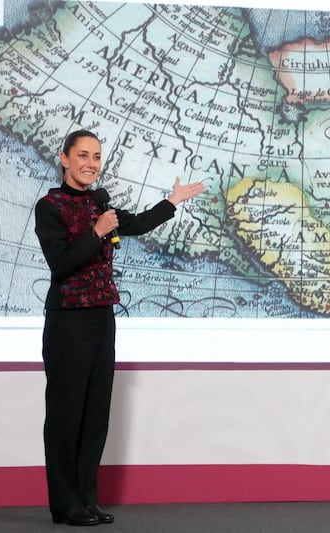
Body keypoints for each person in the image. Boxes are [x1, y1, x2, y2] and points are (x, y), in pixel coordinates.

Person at [34, 129, 205, 526]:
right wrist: (96, 232)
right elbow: (60, 263)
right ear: (64, 159)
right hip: (68, 319)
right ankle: (64, 503)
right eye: (82, 155)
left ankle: (86, 498)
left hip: (101, 317)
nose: (91, 164)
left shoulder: (100, 203)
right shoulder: (50, 206)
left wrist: (172, 202)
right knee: (66, 413)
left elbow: (138, 224)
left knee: (95, 414)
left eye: (96, 156)